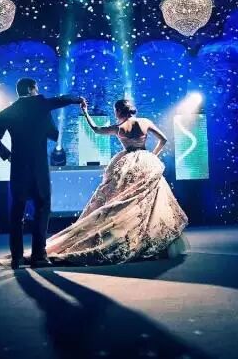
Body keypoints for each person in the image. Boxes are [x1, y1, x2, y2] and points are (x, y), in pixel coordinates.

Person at [46, 99, 189, 265]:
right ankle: (151, 239)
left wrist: (85, 112)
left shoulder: (119, 128)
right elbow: (163, 140)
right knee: (150, 201)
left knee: (122, 200)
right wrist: (152, 155)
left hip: (127, 164)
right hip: (146, 162)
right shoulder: (145, 122)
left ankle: (125, 235)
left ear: (119, 111)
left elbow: (96, 129)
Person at [0, 77, 85, 269]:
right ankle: (38, 256)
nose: (39, 91)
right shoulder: (40, 104)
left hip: (18, 168)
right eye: (37, 88)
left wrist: (7, 155)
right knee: (42, 208)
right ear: (31, 89)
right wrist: (78, 99)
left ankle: (17, 258)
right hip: (39, 168)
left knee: (17, 211)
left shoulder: (7, 112)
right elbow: (61, 99)